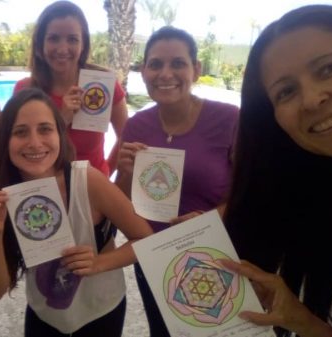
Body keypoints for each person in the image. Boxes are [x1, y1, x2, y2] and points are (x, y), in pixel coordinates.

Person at [0, 88, 153, 337]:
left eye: (45, 129)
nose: (35, 142)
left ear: (60, 134)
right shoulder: (5, 196)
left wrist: (98, 263)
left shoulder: (87, 180)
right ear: (6, 141)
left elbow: (146, 238)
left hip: (100, 310)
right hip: (44, 313)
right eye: (20, 132)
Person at [221, 5, 332, 337]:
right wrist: (301, 321)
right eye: (286, 91)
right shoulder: (323, 210)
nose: (311, 99)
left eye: (330, 68)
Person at [114, 26, 239, 337]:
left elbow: (250, 193)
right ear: (143, 71)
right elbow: (119, 202)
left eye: (178, 63)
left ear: (195, 69)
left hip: (217, 253)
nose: (165, 73)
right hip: (155, 256)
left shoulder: (230, 120)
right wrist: (126, 172)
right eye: (155, 64)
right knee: (163, 331)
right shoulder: (136, 125)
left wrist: (208, 221)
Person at [13, 0, 128, 177]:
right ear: (40, 45)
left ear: (83, 46)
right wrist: (61, 119)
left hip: (92, 191)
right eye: (54, 38)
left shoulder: (103, 85)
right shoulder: (25, 90)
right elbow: (17, 148)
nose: (62, 48)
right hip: (46, 193)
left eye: (72, 39)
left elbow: (126, 136)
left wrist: (106, 173)